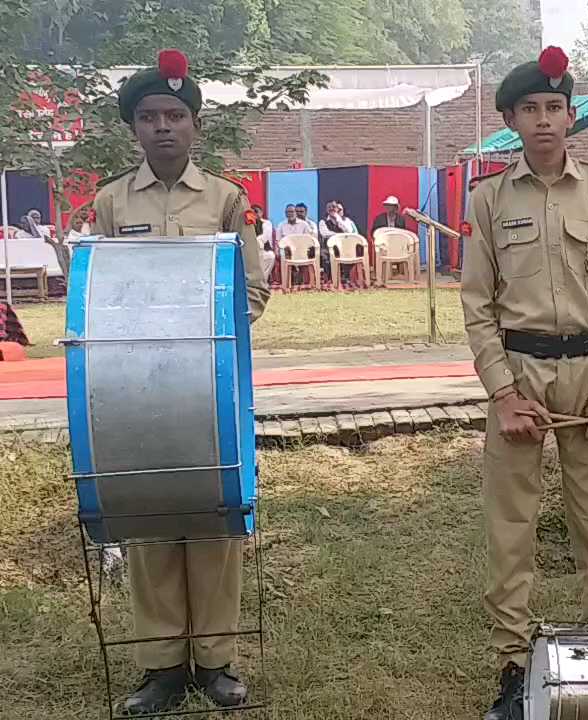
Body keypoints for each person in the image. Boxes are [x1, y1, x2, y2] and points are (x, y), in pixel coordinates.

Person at [460, 46, 588, 720]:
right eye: (530, 109)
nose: (543, 119)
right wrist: (503, 394)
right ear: (512, 118)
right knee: (510, 531)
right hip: (520, 374)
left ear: (571, 116)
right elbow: (478, 305)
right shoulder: (488, 199)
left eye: (554, 107)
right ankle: (513, 671)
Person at [90, 48, 269, 715]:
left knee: (216, 517)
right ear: (133, 128)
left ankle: (216, 660)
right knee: (150, 514)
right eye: (148, 116)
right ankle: (162, 665)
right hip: (134, 388)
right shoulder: (109, 204)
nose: (162, 126)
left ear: (194, 125)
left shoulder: (227, 200)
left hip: (210, 385)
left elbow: (252, 291)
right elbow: (96, 289)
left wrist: (206, 338)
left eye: (174, 114)